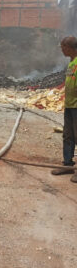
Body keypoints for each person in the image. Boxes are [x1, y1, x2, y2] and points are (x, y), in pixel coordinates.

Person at [51, 36, 77, 179]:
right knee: (68, 135)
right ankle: (67, 164)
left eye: (63, 47)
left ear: (69, 47)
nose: (61, 50)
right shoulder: (72, 62)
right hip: (70, 105)